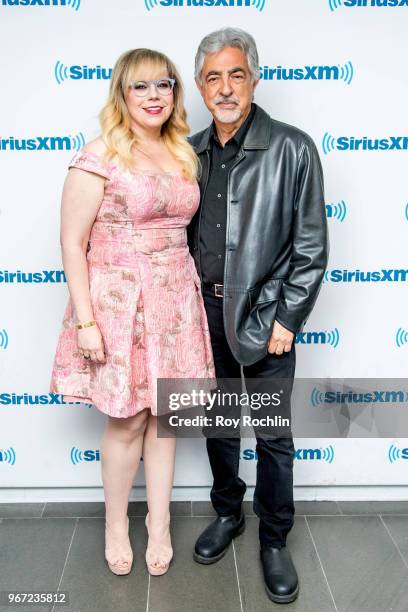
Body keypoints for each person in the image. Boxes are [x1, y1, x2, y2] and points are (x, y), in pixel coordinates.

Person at [49, 48, 215, 577]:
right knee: (125, 422)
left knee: (165, 418)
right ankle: (117, 525)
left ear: (175, 94)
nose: (153, 97)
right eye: (140, 87)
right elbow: (72, 244)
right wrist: (86, 322)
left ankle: (159, 525)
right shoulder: (100, 154)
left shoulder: (183, 153)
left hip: (175, 302)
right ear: (122, 93)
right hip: (118, 306)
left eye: (163, 86)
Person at [187, 28, 329, 603]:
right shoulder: (188, 151)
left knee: (272, 435)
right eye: (213, 77)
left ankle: (274, 538)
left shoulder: (293, 149)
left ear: (254, 79)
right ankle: (228, 512)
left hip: (266, 319)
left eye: (236, 74)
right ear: (200, 86)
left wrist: (288, 319)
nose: (225, 88)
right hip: (200, 316)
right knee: (218, 425)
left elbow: (311, 246)